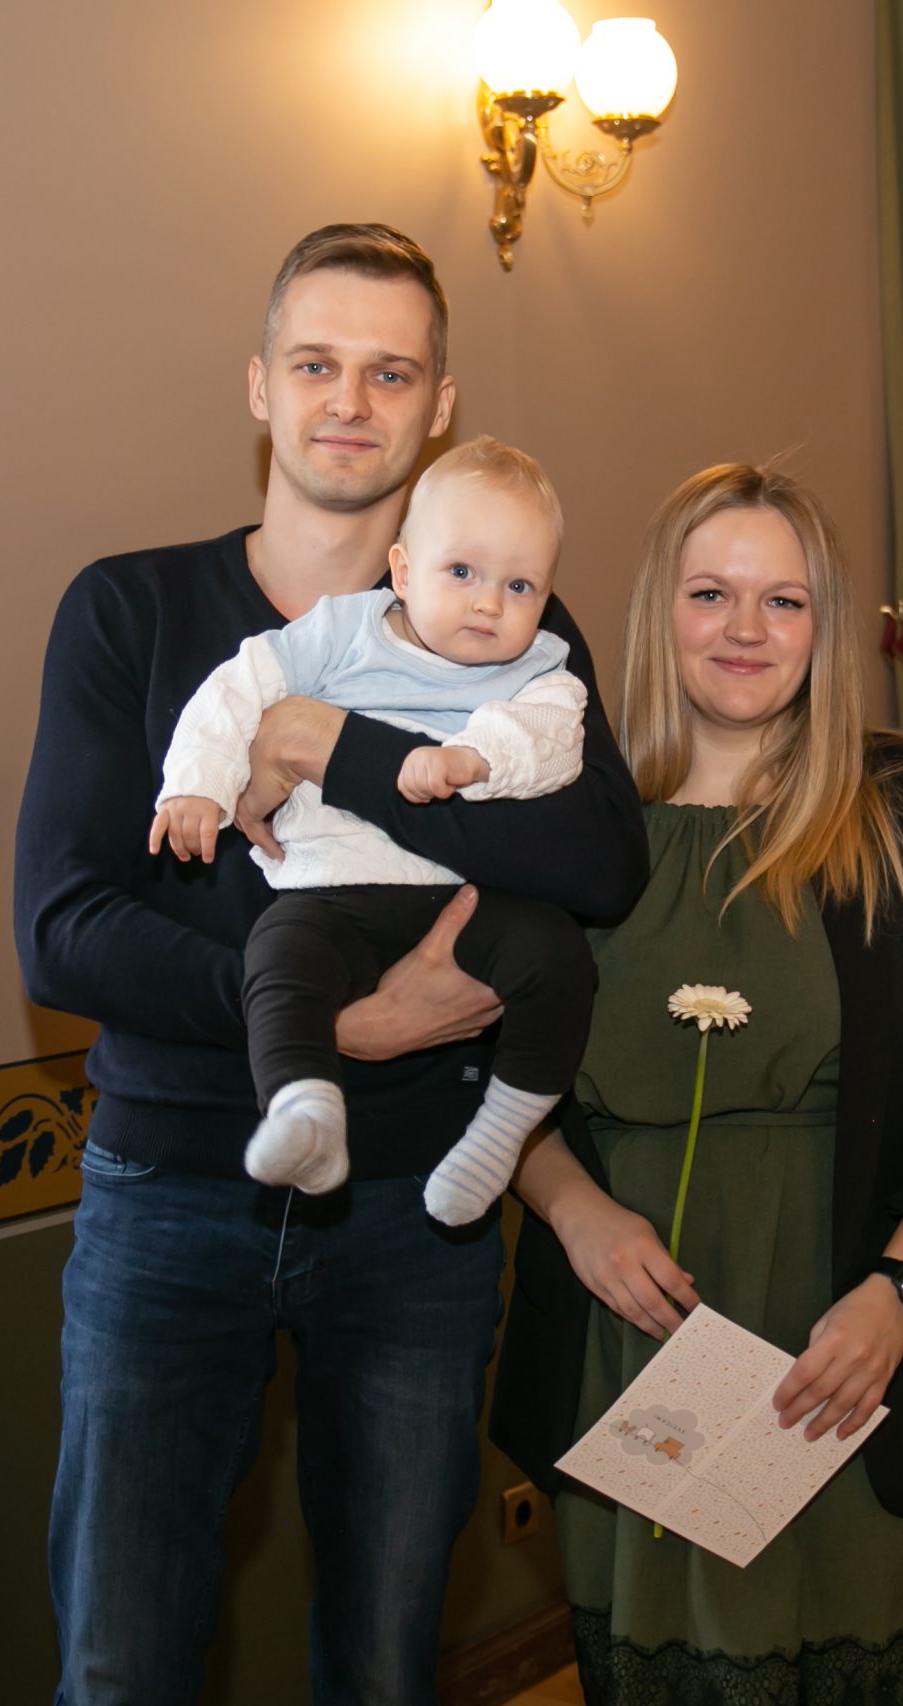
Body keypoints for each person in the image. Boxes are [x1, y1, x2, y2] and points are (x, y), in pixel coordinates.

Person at [14, 224, 647, 1704]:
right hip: (173, 1191)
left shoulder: (513, 624)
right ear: (260, 386)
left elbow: (599, 863)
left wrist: (332, 750)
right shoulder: (131, 610)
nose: (349, 400)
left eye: (390, 371)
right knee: (120, 1662)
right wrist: (333, 1022)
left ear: (440, 405)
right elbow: (63, 925)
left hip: (415, 1214)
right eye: (314, 364)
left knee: (384, 1660)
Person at [488, 464, 903, 1704]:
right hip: (625, 1329)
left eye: (783, 600)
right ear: (658, 609)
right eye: (711, 593)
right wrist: (574, 1208)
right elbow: (498, 1068)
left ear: (822, 625)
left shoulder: (900, 804)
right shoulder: (558, 812)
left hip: (842, 1344)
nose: (744, 628)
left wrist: (900, 1291)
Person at [150, 435, 596, 1226]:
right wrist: (195, 786)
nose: (489, 603)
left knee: (557, 957)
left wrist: (473, 758)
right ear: (403, 571)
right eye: (462, 572)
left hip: (463, 905)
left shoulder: (539, 670)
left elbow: (553, 742)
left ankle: (502, 1129)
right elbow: (238, 686)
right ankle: (305, 1109)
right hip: (332, 893)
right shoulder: (340, 633)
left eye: (520, 585)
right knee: (279, 959)